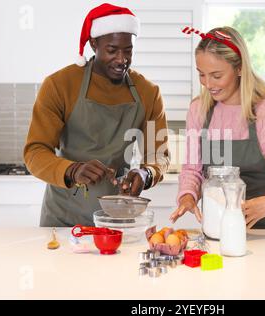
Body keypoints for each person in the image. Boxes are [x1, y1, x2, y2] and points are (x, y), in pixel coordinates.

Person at [24, 3, 169, 227]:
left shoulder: (148, 92)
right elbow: (34, 152)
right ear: (94, 44)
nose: (122, 59)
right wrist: (72, 170)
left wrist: (145, 173)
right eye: (112, 50)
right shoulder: (59, 85)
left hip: (118, 219)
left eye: (128, 50)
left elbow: (159, 155)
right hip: (63, 220)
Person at [170, 26, 265, 229]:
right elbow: (193, 169)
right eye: (201, 74)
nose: (208, 84)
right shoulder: (199, 109)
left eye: (216, 75)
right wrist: (187, 196)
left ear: (239, 69)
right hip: (216, 228)